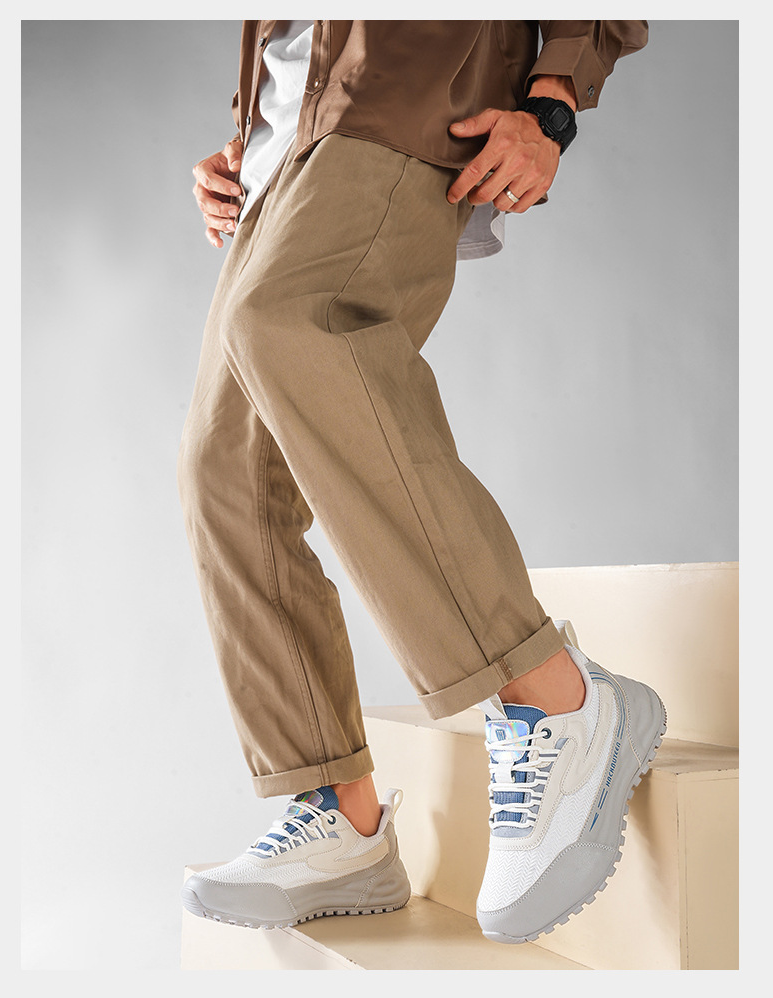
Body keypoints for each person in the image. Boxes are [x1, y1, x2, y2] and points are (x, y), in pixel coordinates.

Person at [178, 20, 666, 945]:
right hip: (283, 147)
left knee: (296, 321)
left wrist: (554, 103)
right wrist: (251, 125)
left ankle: (554, 696)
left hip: (400, 99)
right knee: (225, 474)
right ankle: (342, 816)